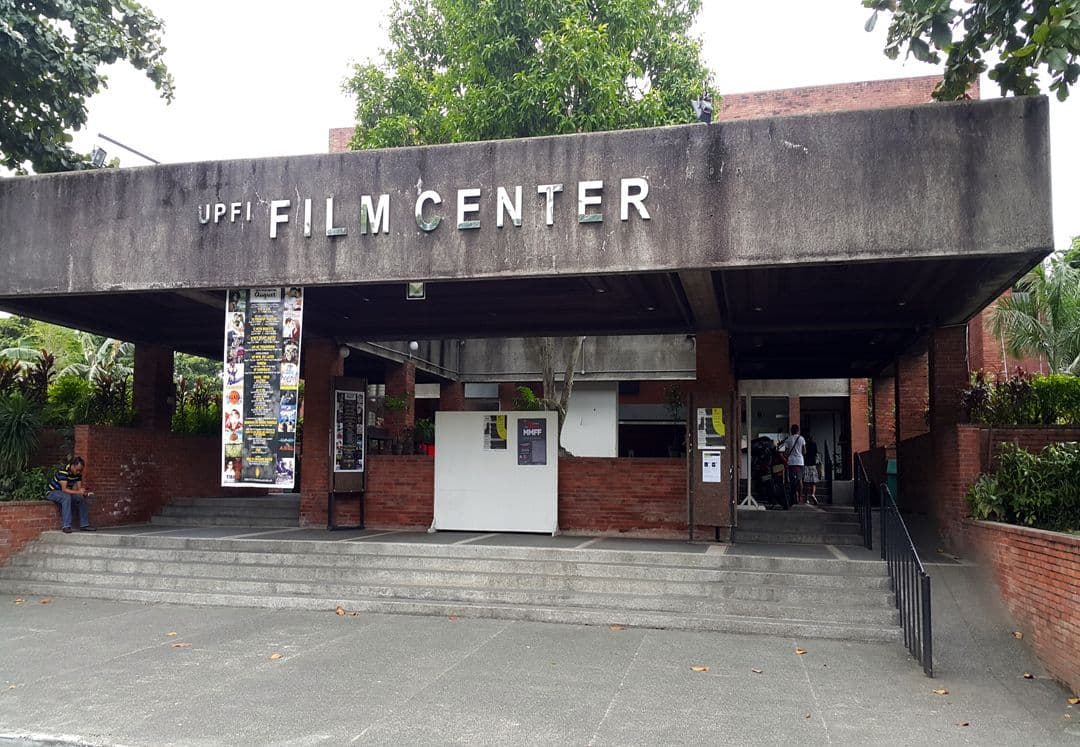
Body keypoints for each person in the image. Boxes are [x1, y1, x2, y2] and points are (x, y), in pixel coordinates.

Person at [45, 456, 96, 533]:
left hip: (65, 493)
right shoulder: (63, 472)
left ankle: (84, 525)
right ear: (72, 465)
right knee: (66, 497)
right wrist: (79, 492)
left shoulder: (78, 474)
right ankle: (66, 526)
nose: (79, 472)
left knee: (80, 498)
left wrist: (85, 493)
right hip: (53, 492)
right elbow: (64, 489)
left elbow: (79, 489)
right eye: (77, 470)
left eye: (80, 470)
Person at [779, 424, 807, 505]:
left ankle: (793, 496)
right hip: (800, 462)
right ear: (798, 430)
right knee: (800, 480)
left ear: (791, 431)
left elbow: (786, 452)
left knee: (792, 480)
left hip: (791, 462)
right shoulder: (802, 439)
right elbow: (804, 451)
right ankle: (800, 497)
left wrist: (786, 455)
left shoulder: (789, 439)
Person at [804, 433, 819, 505]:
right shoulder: (814, 444)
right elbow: (816, 454)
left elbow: (804, 453)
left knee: (806, 483)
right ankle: (813, 494)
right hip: (813, 465)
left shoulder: (806, 445)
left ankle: (806, 498)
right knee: (813, 482)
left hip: (806, 465)